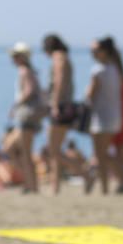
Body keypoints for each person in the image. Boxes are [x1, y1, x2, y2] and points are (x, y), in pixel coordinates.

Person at [85, 37, 123, 195]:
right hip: (115, 117)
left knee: (100, 155)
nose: (92, 53)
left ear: (104, 52)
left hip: (101, 118)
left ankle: (111, 185)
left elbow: (90, 94)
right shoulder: (116, 69)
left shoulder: (99, 70)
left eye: (95, 51)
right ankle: (121, 179)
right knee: (103, 154)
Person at [42, 34, 86, 194]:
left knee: (53, 149)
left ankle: (85, 174)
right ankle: (55, 186)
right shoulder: (65, 57)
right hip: (65, 106)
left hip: (61, 107)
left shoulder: (58, 57)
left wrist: (55, 103)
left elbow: (59, 80)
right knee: (55, 148)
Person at [4, 42, 44, 194]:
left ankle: (31, 185)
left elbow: (29, 91)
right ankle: (29, 183)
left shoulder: (24, 71)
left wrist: (15, 105)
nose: (12, 59)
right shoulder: (30, 71)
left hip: (26, 115)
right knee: (16, 149)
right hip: (28, 115)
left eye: (14, 56)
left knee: (23, 151)